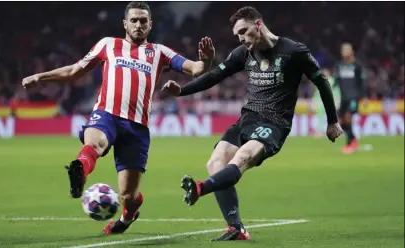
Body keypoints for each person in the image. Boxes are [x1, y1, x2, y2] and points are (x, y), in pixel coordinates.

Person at [21, 1, 215, 235]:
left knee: (128, 196)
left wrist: (207, 60)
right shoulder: (108, 45)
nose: (138, 24)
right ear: (125, 23)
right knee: (94, 143)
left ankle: (128, 215)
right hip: (106, 114)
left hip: (136, 128)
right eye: (133, 20)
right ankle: (79, 172)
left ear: (151, 24)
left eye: (143, 20)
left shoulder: (160, 52)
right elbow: (75, 70)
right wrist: (40, 77)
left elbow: (195, 69)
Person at [162, 6, 343, 241]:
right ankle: (235, 228)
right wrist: (181, 91)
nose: (241, 39)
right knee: (215, 162)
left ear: (258, 25)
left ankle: (201, 188)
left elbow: (322, 81)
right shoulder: (243, 53)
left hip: (274, 123)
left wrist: (332, 121)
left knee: (243, 157)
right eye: (237, 35)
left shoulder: (293, 51)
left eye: (244, 31)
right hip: (247, 119)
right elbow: (216, 75)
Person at [333, 43, 366, 154]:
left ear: (352, 51)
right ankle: (353, 139)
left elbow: (361, 82)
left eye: (347, 50)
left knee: (348, 117)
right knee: (341, 121)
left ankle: (349, 144)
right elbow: (336, 81)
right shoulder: (339, 65)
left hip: (353, 96)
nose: (345, 52)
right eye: (343, 50)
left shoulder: (357, 65)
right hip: (343, 97)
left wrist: (364, 97)